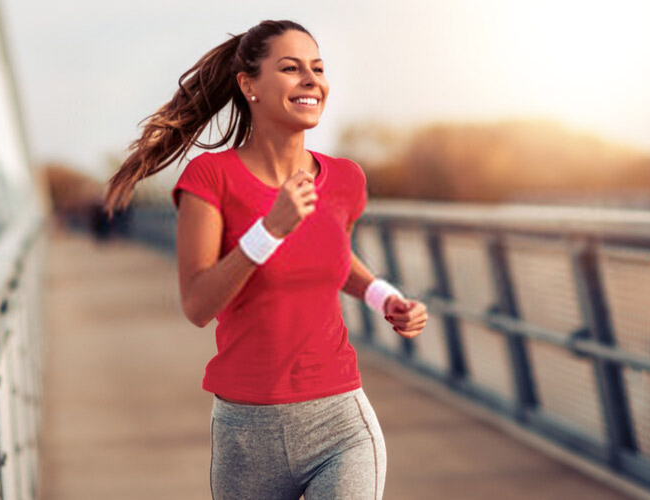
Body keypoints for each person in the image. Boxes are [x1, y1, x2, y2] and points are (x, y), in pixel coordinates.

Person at [103, 20, 428, 500]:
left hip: (340, 422)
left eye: (317, 69)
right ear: (248, 84)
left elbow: (334, 255)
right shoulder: (210, 177)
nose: (311, 80)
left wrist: (385, 298)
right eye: (291, 68)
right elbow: (197, 304)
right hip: (245, 435)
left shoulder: (345, 179)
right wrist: (269, 230)